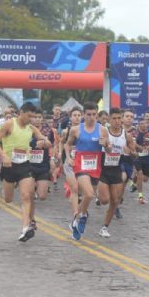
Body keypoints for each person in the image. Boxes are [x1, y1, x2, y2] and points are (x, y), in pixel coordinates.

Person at [0, 102, 51, 242]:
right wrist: (3, 155)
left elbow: (43, 139)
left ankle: (25, 228)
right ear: (21, 112)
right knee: (8, 199)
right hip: (9, 166)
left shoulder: (31, 128)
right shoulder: (9, 124)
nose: (30, 119)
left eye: (32, 116)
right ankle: (6, 189)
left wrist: (46, 142)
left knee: (26, 195)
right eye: (28, 116)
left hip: (25, 165)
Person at [65, 102, 109, 240]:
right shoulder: (76, 130)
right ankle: (83, 215)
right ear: (84, 115)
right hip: (80, 165)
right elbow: (67, 144)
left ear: (97, 115)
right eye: (88, 114)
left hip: (95, 166)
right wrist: (68, 158)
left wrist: (106, 145)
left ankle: (77, 219)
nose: (91, 117)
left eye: (94, 115)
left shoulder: (102, 130)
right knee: (89, 195)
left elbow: (109, 149)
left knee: (89, 195)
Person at [97, 108, 134, 238]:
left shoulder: (127, 135)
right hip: (103, 169)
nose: (117, 121)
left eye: (119, 118)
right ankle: (98, 193)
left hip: (116, 169)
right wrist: (105, 146)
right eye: (114, 118)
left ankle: (104, 227)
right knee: (104, 200)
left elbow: (134, 153)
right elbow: (99, 144)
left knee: (115, 200)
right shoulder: (104, 132)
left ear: (122, 119)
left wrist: (129, 151)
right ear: (109, 119)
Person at [59, 107, 82, 224]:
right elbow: (62, 142)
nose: (77, 117)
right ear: (70, 117)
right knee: (75, 188)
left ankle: (77, 200)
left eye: (79, 115)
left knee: (80, 189)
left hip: (82, 162)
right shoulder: (65, 131)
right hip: (68, 161)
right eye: (74, 115)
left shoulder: (84, 130)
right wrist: (59, 154)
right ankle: (75, 215)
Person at [134, 118, 149, 204]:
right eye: (141, 123)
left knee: (145, 179)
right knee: (140, 174)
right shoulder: (135, 133)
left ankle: (134, 179)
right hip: (137, 157)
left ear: (147, 124)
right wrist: (139, 147)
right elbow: (133, 143)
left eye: (144, 123)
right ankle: (140, 196)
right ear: (138, 125)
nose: (143, 125)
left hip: (146, 157)